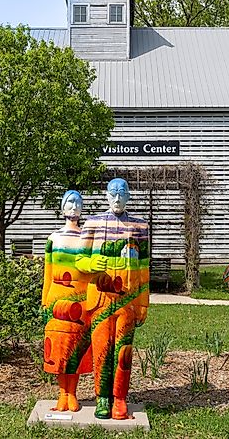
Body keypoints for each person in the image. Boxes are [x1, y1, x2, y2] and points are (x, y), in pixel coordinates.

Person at [77, 178, 150, 420]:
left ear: (128, 196)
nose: (117, 198)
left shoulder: (139, 226)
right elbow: (79, 260)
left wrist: (143, 303)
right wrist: (91, 263)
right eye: (113, 194)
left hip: (127, 300)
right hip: (100, 300)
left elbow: (143, 267)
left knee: (123, 351)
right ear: (106, 196)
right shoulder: (92, 223)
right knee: (101, 350)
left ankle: (119, 397)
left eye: (121, 193)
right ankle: (102, 397)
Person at [41, 190, 93, 412]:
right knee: (59, 349)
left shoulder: (87, 239)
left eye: (78, 202)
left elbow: (90, 273)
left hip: (81, 302)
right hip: (56, 301)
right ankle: (62, 393)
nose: (74, 206)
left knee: (76, 349)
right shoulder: (53, 238)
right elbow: (48, 272)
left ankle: (73, 393)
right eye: (70, 202)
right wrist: (45, 300)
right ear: (62, 207)